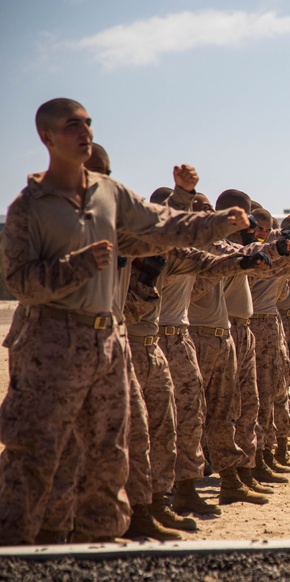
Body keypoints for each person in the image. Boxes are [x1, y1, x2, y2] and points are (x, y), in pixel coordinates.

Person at [0, 98, 249, 545]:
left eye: (89, 124)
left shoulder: (110, 198)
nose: (86, 132)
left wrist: (217, 222)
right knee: (37, 454)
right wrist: (78, 266)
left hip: (108, 341)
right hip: (52, 341)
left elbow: (163, 226)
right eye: (74, 125)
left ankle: (96, 546)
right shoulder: (29, 208)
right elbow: (21, 282)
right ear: (47, 137)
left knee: (114, 451)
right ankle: (27, 553)